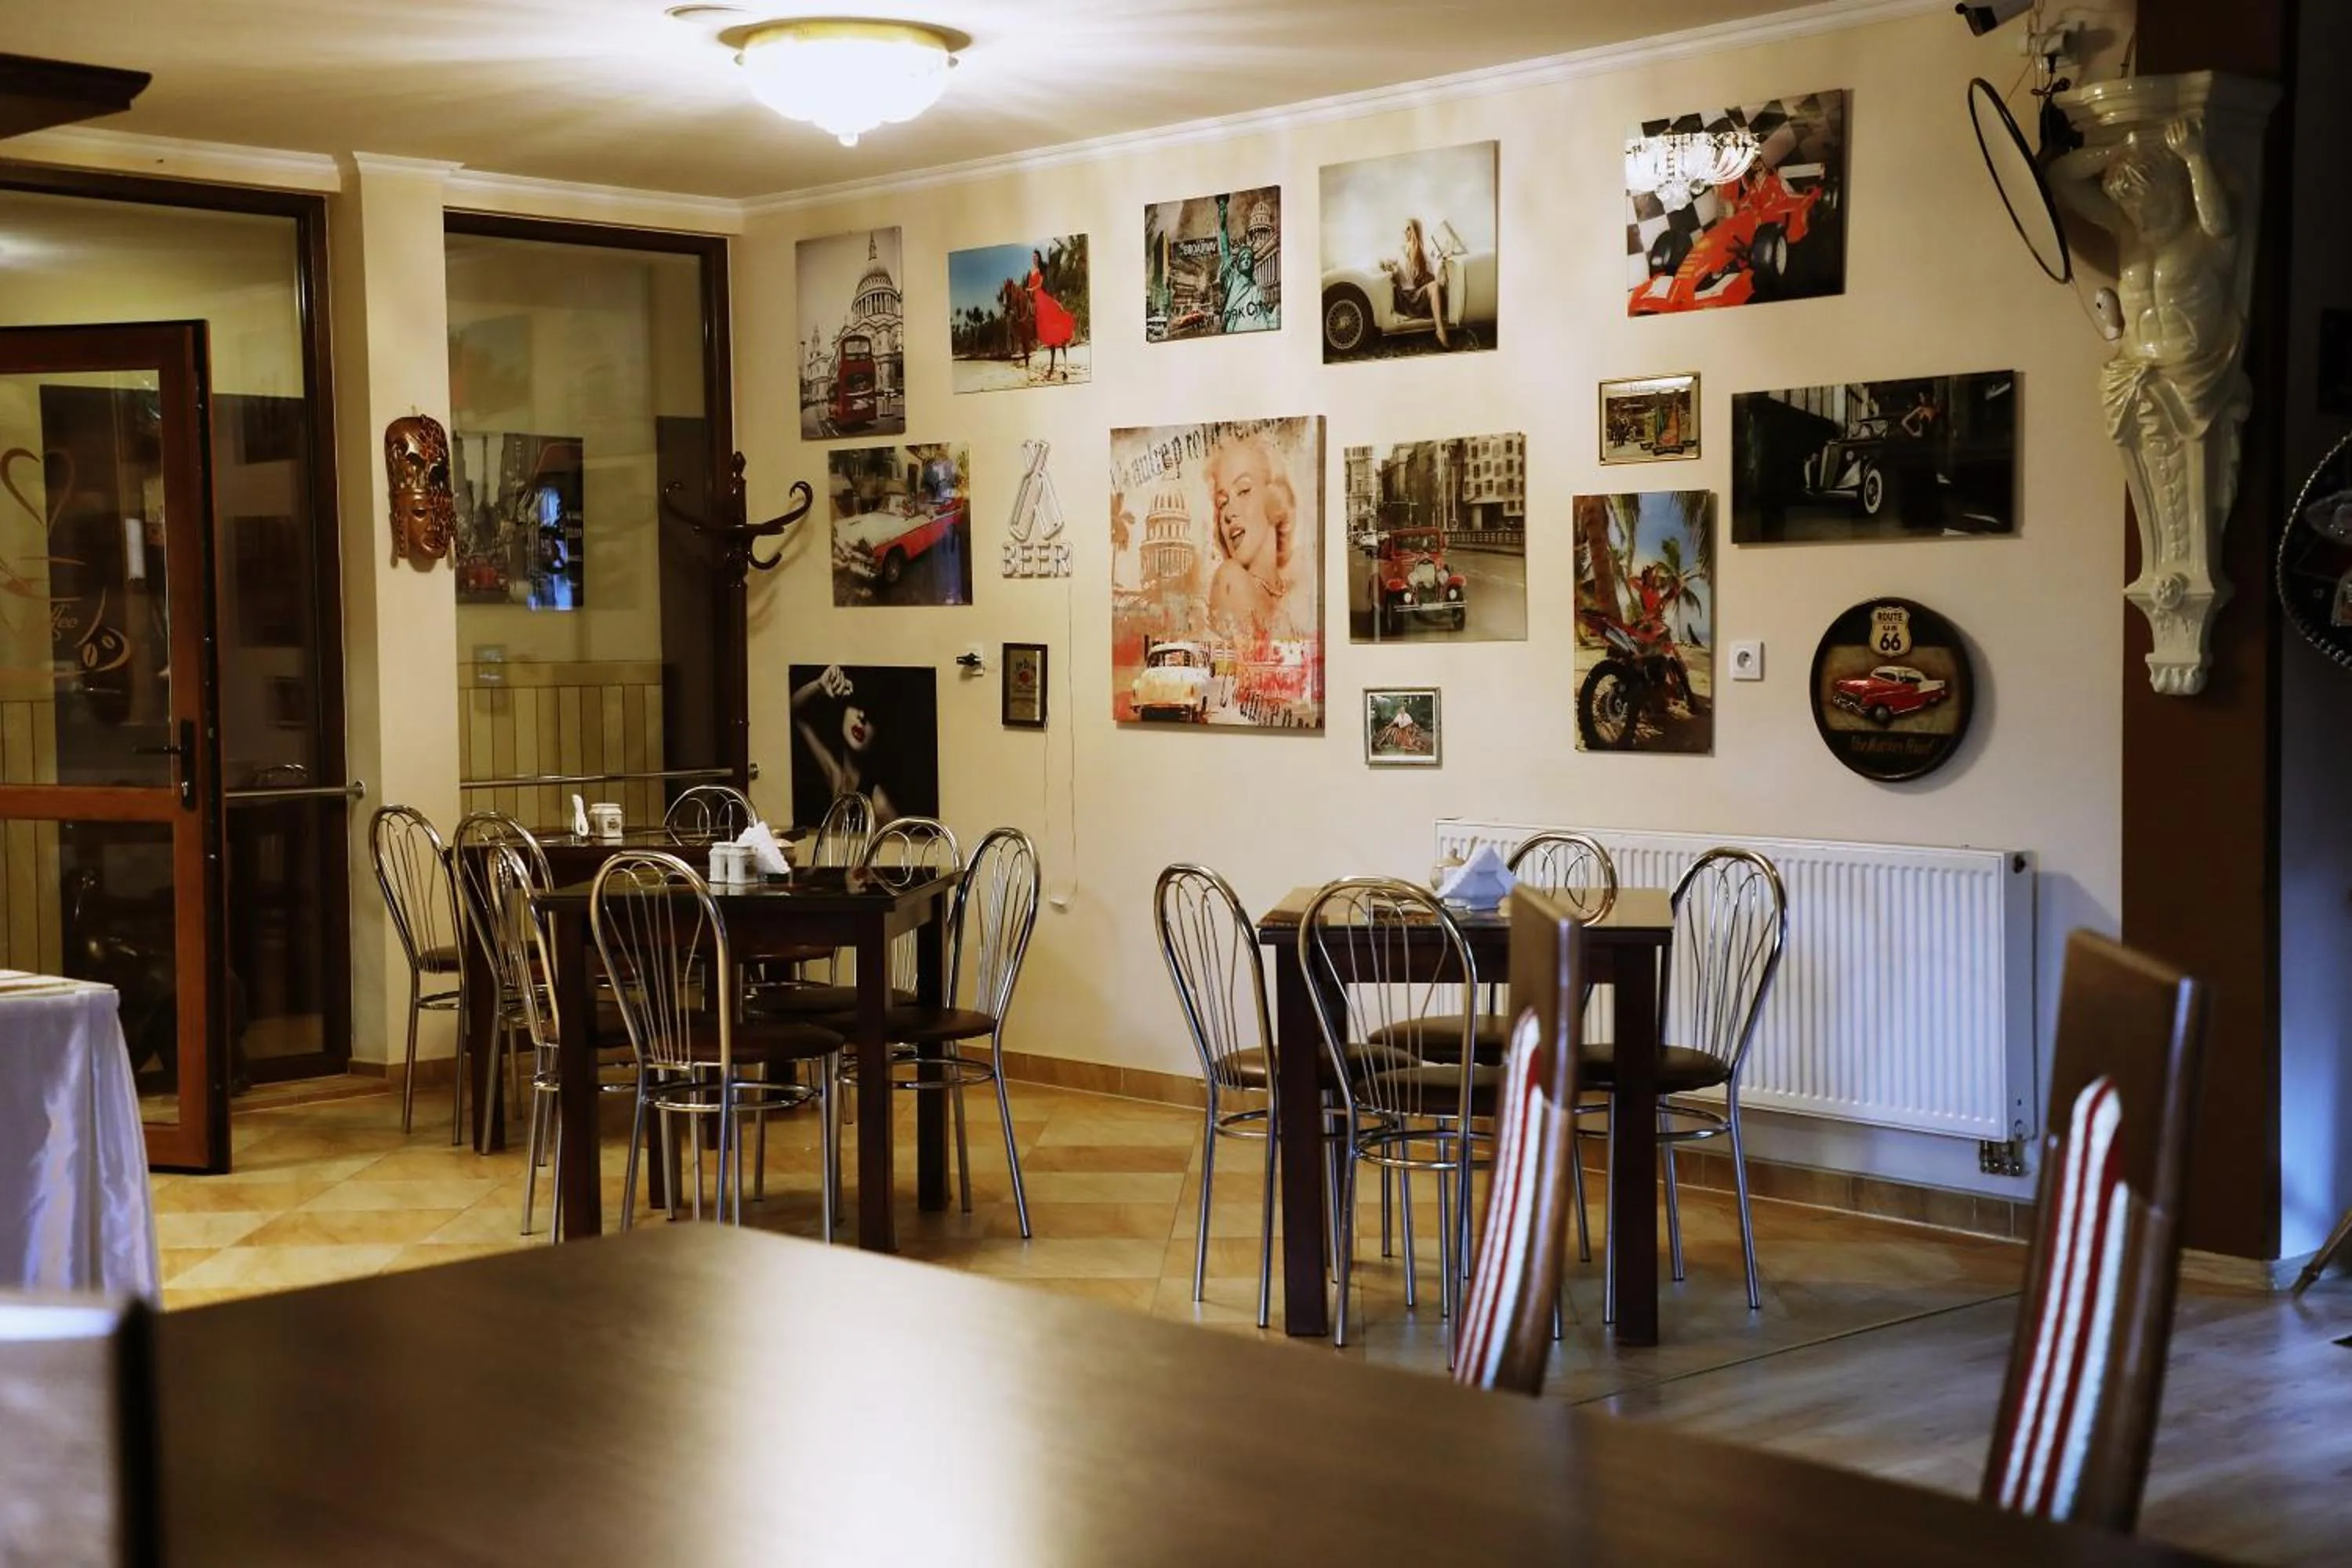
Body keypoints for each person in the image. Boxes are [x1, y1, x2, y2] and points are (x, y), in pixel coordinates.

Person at [1203, 434, 1301, 636]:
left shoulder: (1296, 590)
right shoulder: (1231, 578)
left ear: (1274, 497)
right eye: (1222, 503)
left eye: (1243, 491)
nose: (1229, 513)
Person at [790, 664, 902, 824]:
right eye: (857, 704)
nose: (862, 716)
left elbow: (907, 847)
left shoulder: (878, 801)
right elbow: (793, 713)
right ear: (843, 710)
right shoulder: (835, 773)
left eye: (873, 715)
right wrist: (819, 685)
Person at [1381, 218, 1450, 348]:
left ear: (1415, 231)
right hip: (1406, 297)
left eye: (1409, 229)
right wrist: (1389, 266)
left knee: (1435, 286)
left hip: (1417, 294)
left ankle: (1440, 331)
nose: (1406, 232)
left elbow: (1434, 270)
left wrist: (1442, 259)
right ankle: (1440, 329)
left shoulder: (1421, 252)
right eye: (1406, 229)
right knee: (1434, 286)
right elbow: (1385, 262)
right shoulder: (1399, 251)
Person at [1025, 249, 1076, 383]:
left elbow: (1040, 285)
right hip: (1032, 297)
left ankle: (1056, 332)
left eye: (1036, 256)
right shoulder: (1031, 271)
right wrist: (1028, 291)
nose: (1034, 259)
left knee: (1045, 312)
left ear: (1039, 257)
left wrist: (1031, 289)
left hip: (1040, 296)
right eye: (1033, 257)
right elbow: (1030, 284)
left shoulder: (1040, 270)